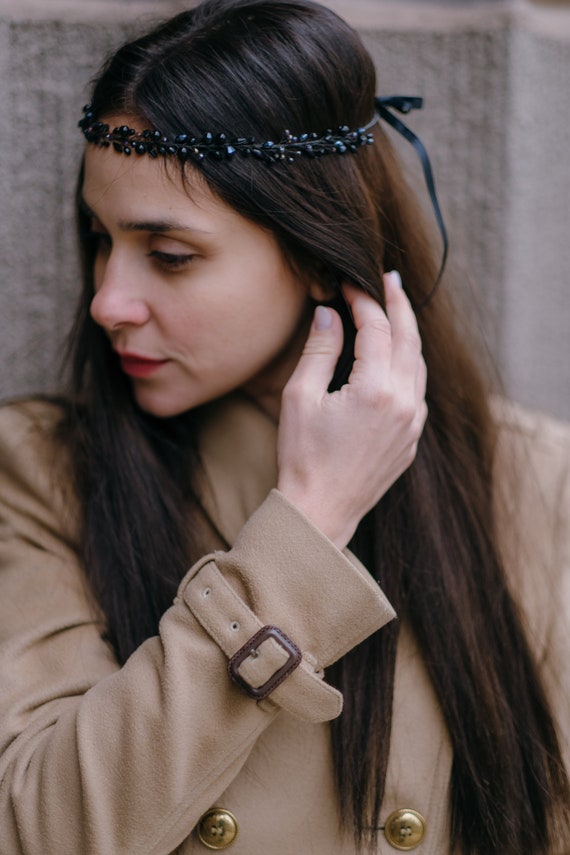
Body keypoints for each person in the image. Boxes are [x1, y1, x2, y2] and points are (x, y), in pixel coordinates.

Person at [0, 0, 568, 853]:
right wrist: (306, 525)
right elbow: (45, 827)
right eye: (98, 238)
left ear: (312, 250)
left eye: (170, 255)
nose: (107, 302)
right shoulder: (40, 471)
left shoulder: (536, 480)